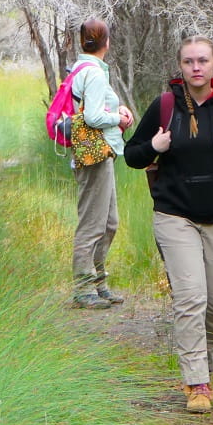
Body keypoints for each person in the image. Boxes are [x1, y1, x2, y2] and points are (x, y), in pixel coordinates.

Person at [124, 36, 213, 413]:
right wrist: (154, 147)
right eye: (189, 62)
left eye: (203, 60)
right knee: (190, 298)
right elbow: (132, 155)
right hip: (175, 216)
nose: (196, 68)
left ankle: (205, 369)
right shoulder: (165, 105)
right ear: (181, 67)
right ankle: (197, 382)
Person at [69, 17, 134, 309]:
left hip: (101, 152)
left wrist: (116, 107)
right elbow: (94, 117)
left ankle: (99, 282)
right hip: (93, 154)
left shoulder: (84, 68)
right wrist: (117, 118)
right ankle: (84, 288)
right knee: (92, 224)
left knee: (109, 223)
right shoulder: (93, 73)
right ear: (106, 43)